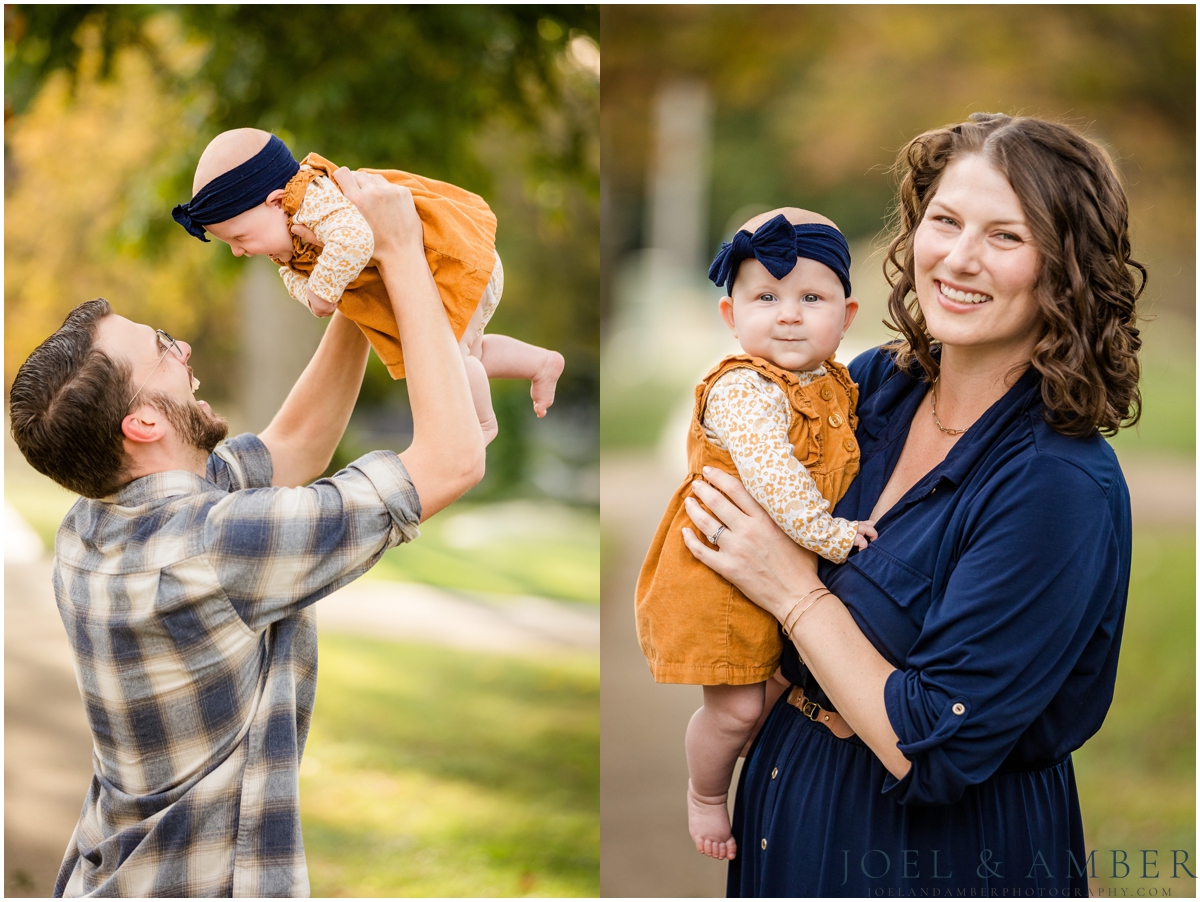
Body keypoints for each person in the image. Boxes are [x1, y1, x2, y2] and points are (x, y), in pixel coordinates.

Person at [679, 113, 1142, 896]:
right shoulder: (875, 386)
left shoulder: (1058, 486)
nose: (959, 259)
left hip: (931, 854)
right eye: (946, 221)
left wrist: (792, 592)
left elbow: (934, 745)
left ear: (1063, 270)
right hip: (789, 798)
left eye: (1005, 236)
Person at [9, 170, 486, 897]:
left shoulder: (95, 526)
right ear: (141, 425)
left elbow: (293, 447)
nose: (185, 349)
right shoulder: (215, 545)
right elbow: (452, 461)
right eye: (163, 348)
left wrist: (354, 277)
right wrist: (401, 253)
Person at [635, 207, 877, 861]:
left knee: (777, 693)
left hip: (783, 569)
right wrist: (828, 535)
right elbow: (774, 477)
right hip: (723, 579)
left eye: (811, 297)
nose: (789, 314)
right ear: (730, 316)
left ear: (846, 316)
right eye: (766, 296)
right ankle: (706, 794)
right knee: (738, 711)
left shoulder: (833, 383)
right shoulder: (743, 389)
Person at [172, 128, 566, 442]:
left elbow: (354, 239)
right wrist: (310, 295)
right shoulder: (284, 235)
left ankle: (480, 425)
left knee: (446, 361)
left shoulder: (313, 200)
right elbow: (292, 274)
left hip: (445, 265)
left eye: (239, 238)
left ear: (276, 201)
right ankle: (539, 363)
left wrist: (323, 290)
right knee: (469, 351)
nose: (239, 252)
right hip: (439, 276)